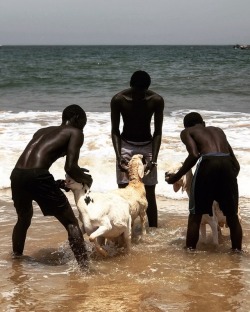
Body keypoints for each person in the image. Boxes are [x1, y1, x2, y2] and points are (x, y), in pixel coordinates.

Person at [10, 104, 93, 269]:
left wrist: (66, 178)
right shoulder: (76, 132)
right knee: (71, 223)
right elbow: (70, 167)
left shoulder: (43, 131)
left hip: (17, 174)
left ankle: (16, 260)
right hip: (38, 175)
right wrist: (86, 180)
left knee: (23, 218)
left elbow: (40, 158)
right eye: (84, 122)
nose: (84, 126)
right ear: (77, 118)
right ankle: (85, 269)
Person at [165, 112, 243, 251]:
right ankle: (237, 251)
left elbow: (194, 155)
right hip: (227, 165)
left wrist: (176, 177)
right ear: (203, 123)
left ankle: (189, 250)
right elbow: (236, 165)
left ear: (186, 126)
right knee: (232, 216)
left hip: (208, 164)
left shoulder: (187, 132)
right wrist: (227, 182)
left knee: (195, 215)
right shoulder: (219, 131)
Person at [110, 70, 165, 227]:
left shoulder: (156, 100)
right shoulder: (118, 100)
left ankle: (153, 229)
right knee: (123, 191)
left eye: (143, 92)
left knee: (149, 191)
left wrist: (153, 159)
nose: (140, 95)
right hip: (125, 145)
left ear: (148, 88)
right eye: (137, 91)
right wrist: (118, 156)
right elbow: (115, 130)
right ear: (131, 86)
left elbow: (157, 132)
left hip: (147, 146)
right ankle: (124, 229)